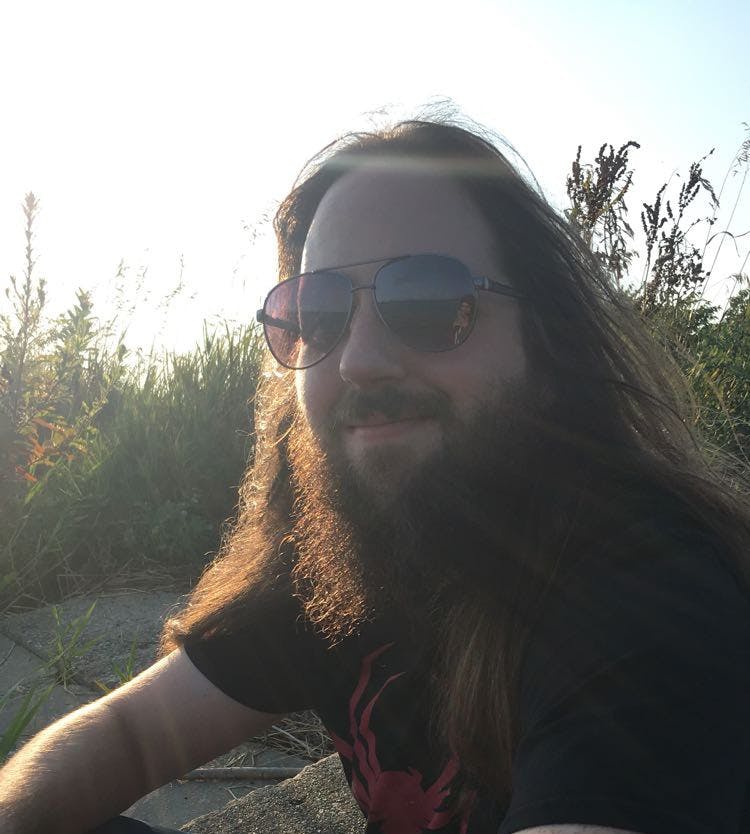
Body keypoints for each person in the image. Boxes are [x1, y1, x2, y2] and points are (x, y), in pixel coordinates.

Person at [2, 118, 750, 834]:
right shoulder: (350, 556)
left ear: (548, 346)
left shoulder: (652, 588)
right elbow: (133, 734)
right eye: (318, 314)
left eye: (424, 300)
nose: (358, 359)